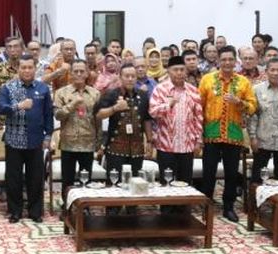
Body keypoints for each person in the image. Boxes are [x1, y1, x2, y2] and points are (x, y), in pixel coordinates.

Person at [197, 46, 258, 222]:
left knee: (231, 173)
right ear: (218, 61)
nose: (227, 62)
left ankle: (228, 207)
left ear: (235, 61)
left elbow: (252, 107)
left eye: (230, 59)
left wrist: (239, 102)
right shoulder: (207, 80)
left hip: (233, 134)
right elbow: (199, 107)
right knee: (209, 172)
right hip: (211, 133)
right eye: (223, 59)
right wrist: (199, 133)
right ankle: (207, 205)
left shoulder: (243, 82)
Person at [0, 54, 54, 223]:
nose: (27, 70)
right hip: (14, 140)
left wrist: (48, 136)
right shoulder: (8, 88)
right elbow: (1, 108)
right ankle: (15, 211)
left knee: (35, 177)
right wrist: (19, 106)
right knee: (13, 178)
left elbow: (48, 114)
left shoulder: (43, 88)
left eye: (30, 67)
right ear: (18, 69)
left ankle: (35, 211)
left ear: (35, 69)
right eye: (23, 67)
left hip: (36, 140)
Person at [148, 56, 203, 210]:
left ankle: (183, 214)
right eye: (175, 70)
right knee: (167, 182)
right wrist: (168, 105)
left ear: (186, 71)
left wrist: (199, 140)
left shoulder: (193, 91)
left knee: (185, 182)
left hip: (187, 145)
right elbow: (152, 112)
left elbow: (198, 117)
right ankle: (166, 214)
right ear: (168, 71)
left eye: (182, 70)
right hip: (166, 146)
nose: (179, 73)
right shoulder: (161, 89)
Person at [95, 64, 151, 210]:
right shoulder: (111, 94)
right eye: (127, 76)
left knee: (136, 183)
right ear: (120, 77)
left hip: (137, 148)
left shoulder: (143, 95)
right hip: (116, 147)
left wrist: (150, 141)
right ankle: (112, 212)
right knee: (114, 183)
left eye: (133, 76)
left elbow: (146, 119)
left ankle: (132, 212)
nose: (130, 79)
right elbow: (99, 114)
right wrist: (114, 108)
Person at [53, 60, 100, 215]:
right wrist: (72, 104)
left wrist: (99, 142)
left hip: (88, 142)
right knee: (67, 180)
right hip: (69, 142)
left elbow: (98, 120)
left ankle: (84, 208)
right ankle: (67, 208)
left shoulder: (95, 93)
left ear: (87, 73)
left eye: (82, 71)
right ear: (71, 73)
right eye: (76, 71)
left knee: (86, 178)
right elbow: (58, 115)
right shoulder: (61, 93)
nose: (79, 74)